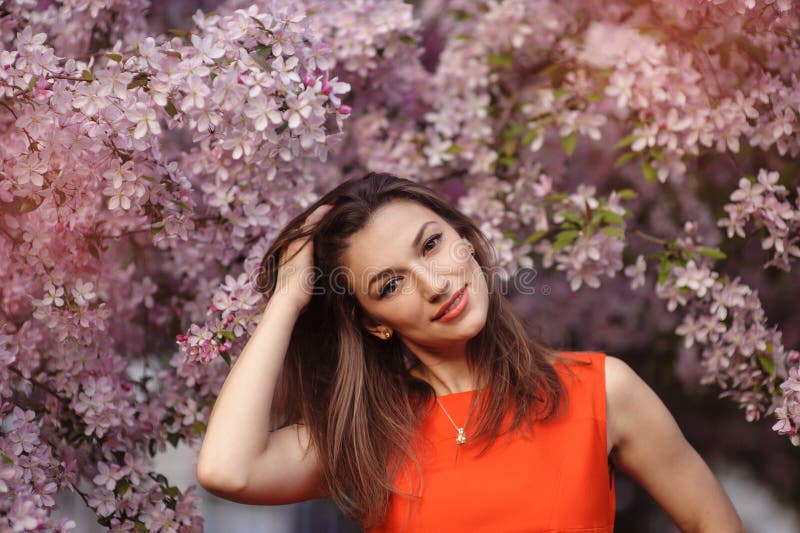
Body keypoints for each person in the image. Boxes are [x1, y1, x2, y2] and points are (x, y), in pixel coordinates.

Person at [196, 172, 744, 532]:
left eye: (432, 244)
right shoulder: (370, 434)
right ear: (374, 324)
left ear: (465, 237)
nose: (434, 283)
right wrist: (290, 296)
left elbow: (712, 522)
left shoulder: (601, 389)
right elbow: (227, 470)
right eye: (390, 285)